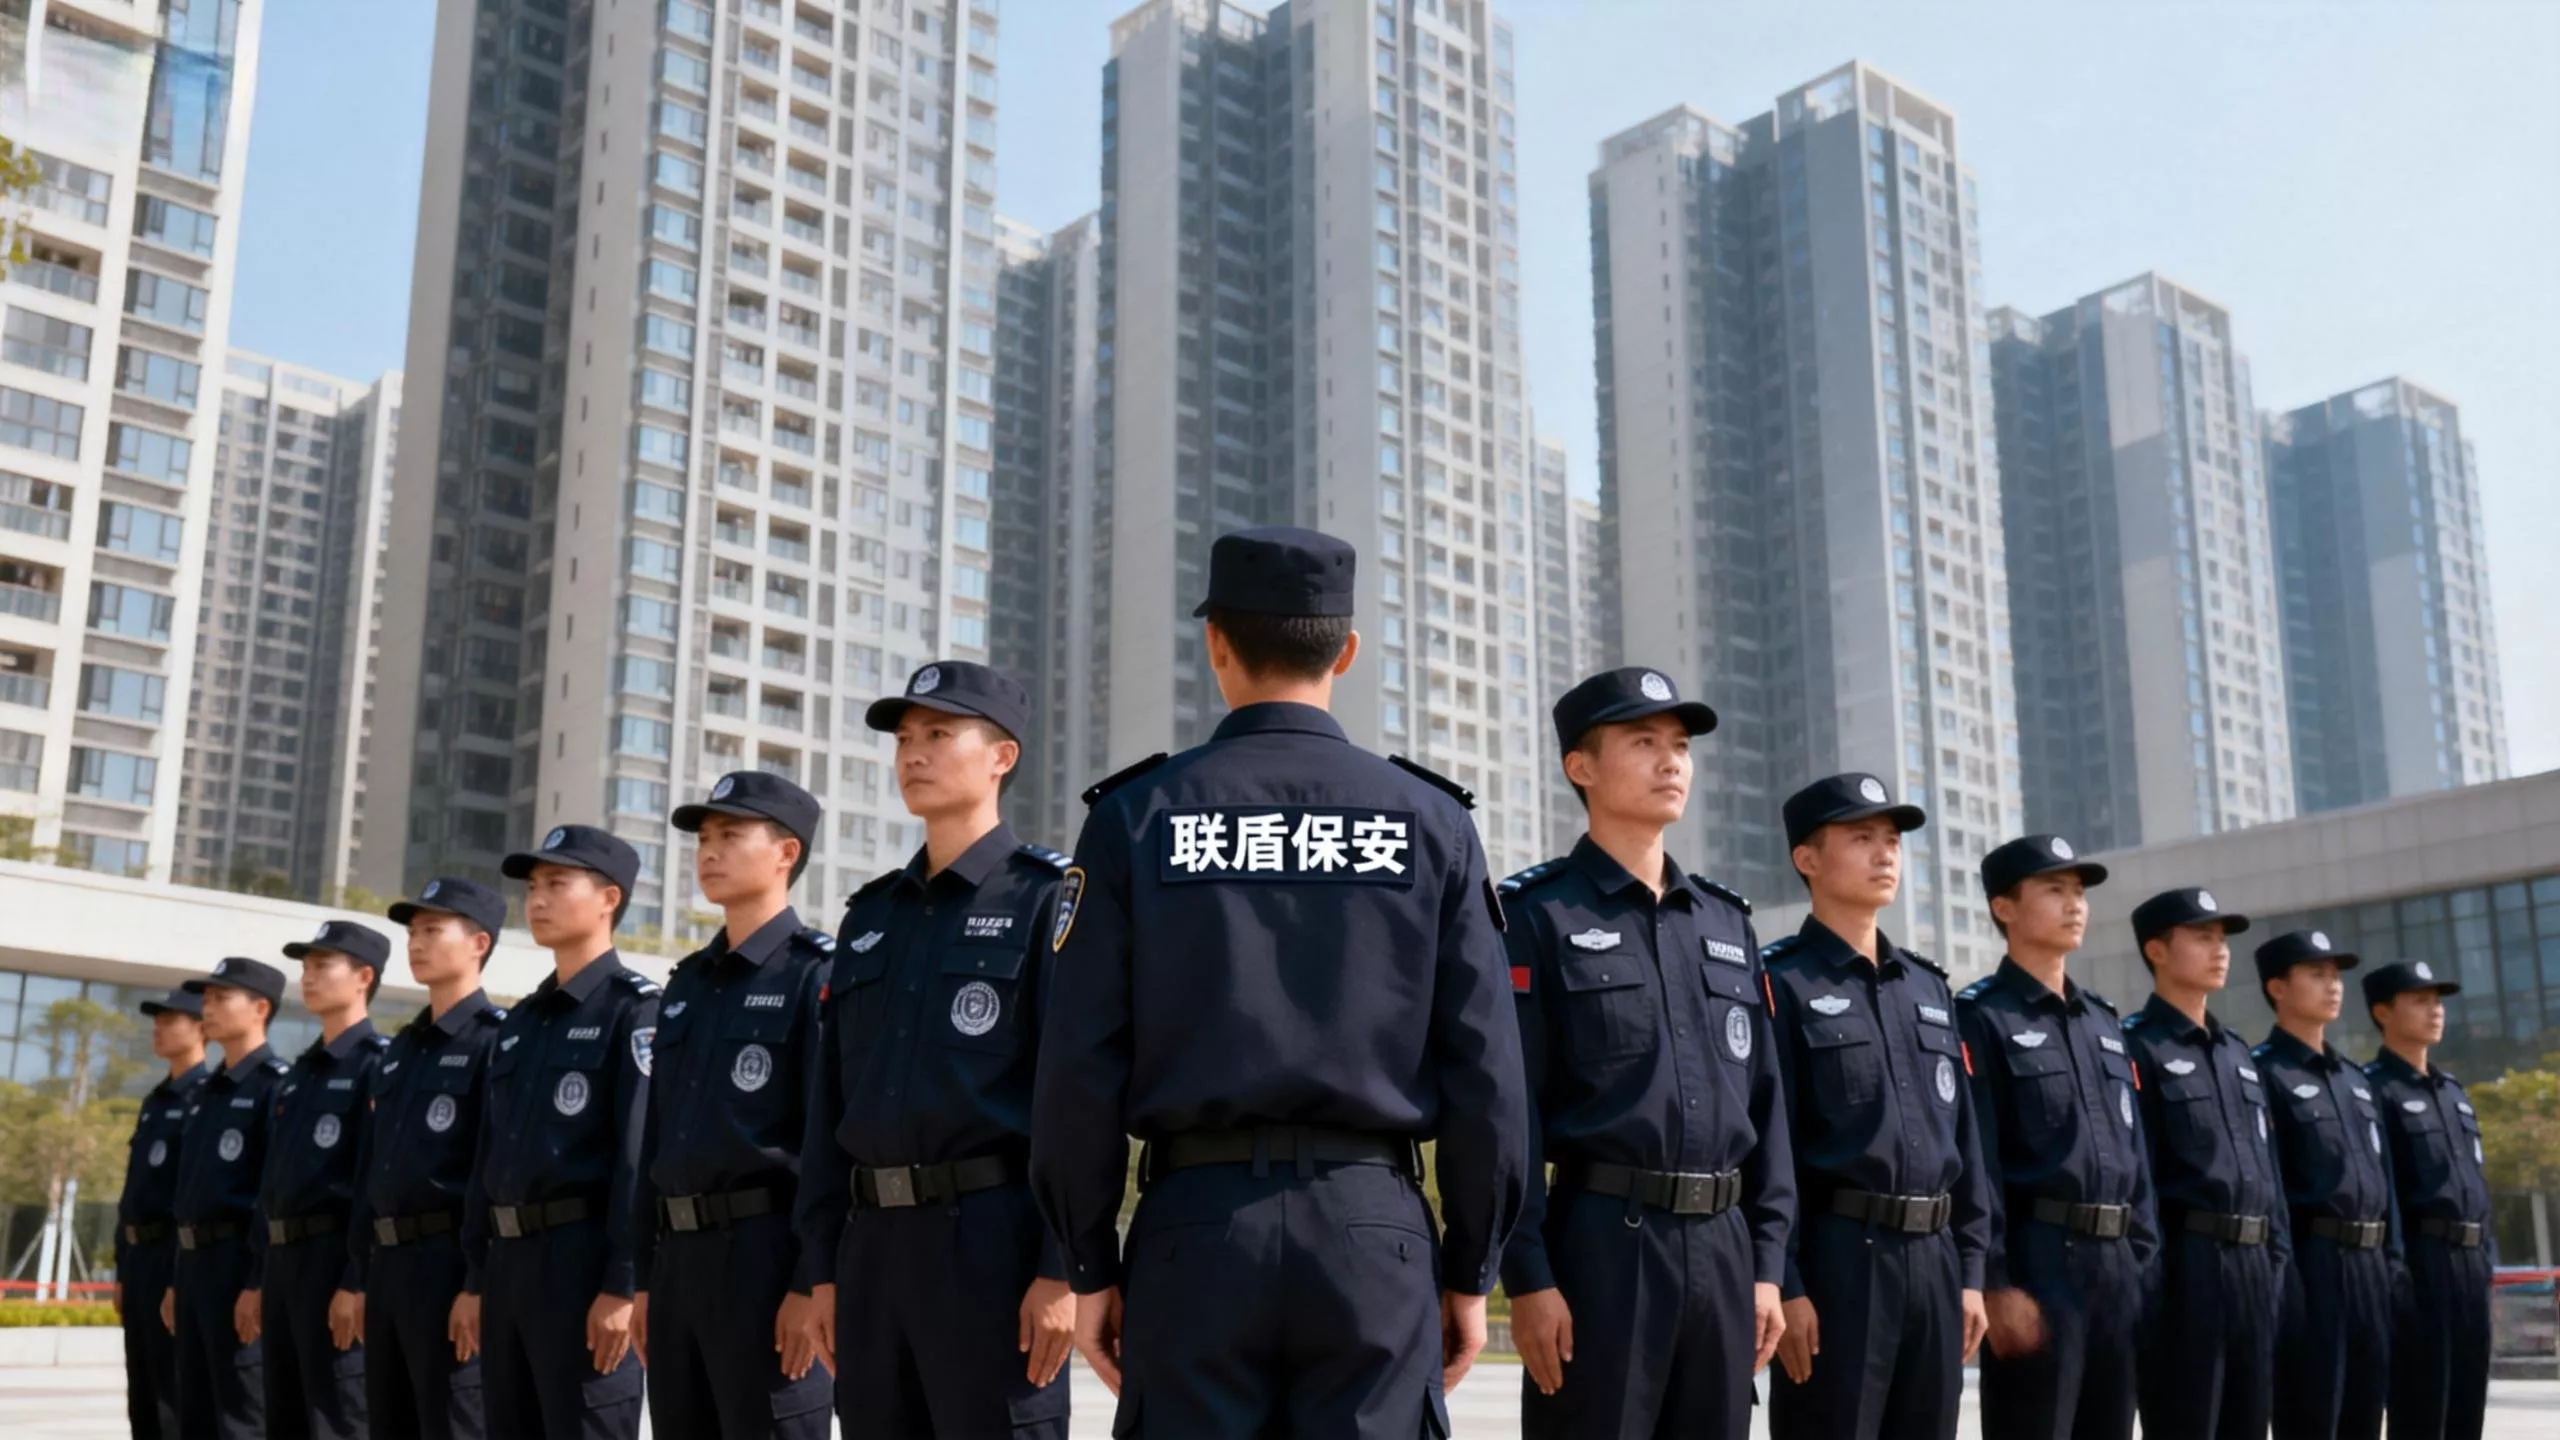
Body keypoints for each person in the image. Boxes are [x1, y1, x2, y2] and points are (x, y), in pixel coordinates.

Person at [1030, 526, 1530, 1439]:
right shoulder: (1431, 821)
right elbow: (1487, 1073)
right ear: (1347, 651)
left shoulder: (1137, 816)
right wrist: (1471, 1269)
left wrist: (1089, 1262)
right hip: (1373, 1233)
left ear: (1216, 644)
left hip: (1194, 1232)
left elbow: (1077, 1066)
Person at [1499, 667, 1793, 1438]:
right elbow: (1510, 1115)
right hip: (1603, 1248)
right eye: (1643, 742)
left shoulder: (1726, 924)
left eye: (1681, 746)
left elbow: (1767, 1107)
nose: (1671, 762)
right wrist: (1527, 1276)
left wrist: (1767, 1266)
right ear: (1582, 767)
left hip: (1725, 1252)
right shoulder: (1536, 914)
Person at [794, 664, 1075, 1438]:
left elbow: (1072, 1097)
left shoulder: (1045, 898)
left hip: (989, 1244)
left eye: (940, 734)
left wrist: (1061, 1266)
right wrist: (821, 1267)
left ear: (1002, 756)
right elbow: (829, 1106)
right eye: (904, 739)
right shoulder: (870, 917)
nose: (913, 753)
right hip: (871, 1252)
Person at [1761, 773, 1991, 1440]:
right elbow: (1770, 1145)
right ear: (1807, 858)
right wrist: (1788, 1281)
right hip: (1841, 1262)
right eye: (1862, 838)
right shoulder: (1781, 980)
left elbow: (1966, 1145)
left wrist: (1970, 1272)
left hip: (1935, 1260)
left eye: (1892, 839)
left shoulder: (1928, 988)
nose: (1885, 853)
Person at [634, 772, 834, 1437]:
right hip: (677, 1262)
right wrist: (642, 1278)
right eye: (703, 840)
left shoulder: (815, 974)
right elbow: (655, 1140)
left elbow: (828, 1139)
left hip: (764, 1258)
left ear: (786, 853)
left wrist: (809, 1281)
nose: (709, 852)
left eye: (730, 835)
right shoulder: (686, 984)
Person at [456, 826, 658, 1439]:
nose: (537, 899)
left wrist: (622, 1282)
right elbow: (488, 1156)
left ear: (609, 899)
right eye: (532, 887)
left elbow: (636, 1155)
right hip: (508, 1265)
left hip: (580, 1262)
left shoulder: (633, 1009)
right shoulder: (521, 1022)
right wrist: (476, 1277)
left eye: (557, 884)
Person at [1957, 834, 2157, 1440]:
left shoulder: (2103, 1022)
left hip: (2116, 1268)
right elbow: (1979, 1159)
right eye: (2054, 890)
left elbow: (2134, 1150)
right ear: (2004, 907)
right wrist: (1995, 1281)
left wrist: (2142, 1256)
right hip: (2040, 1265)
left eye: (2079, 893)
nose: (2075, 905)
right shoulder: (1982, 1016)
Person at [346, 877, 512, 1440]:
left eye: (433, 931)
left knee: (454, 1419)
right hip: (389, 1266)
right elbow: (372, 1169)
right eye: (412, 933)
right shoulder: (400, 1050)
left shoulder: (496, 1041)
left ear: (479, 943)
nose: (416, 944)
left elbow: (491, 1170)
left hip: (447, 1263)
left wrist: (476, 1282)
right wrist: (359, 1275)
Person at [2119, 888, 2288, 1440]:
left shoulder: (2237, 1052)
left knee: (2249, 1422)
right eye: (2202, 938)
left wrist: (2276, 1258)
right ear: (2157, 951)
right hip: (2189, 1266)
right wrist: (2153, 1278)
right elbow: (2137, 1172)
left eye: (2222, 940)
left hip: (2253, 1266)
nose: (2220, 951)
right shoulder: (2136, 1046)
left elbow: (2267, 1167)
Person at [2253, 928, 2396, 1440]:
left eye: (2336, 976)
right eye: (2316, 974)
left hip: (2370, 1266)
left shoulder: (2356, 1080)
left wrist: (2393, 1262)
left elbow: (2385, 1181)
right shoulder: (2263, 1072)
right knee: (2313, 1411)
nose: (2333, 985)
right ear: (2278, 987)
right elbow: (2268, 1182)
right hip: (2314, 1264)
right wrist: (2283, 1275)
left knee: (2365, 1413)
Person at [256, 920, 390, 1440]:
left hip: (332, 1258)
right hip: (282, 1263)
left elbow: (372, 1182)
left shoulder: (376, 1063)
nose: (307, 977)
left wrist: (356, 1280)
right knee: (284, 1414)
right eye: (305, 967)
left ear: (363, 977)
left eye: (321, 966)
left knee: (337, 1414)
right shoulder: (300, 1073)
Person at [2364, 959, 2493, 1440]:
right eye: (2419, 1001)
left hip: (2470, 1265)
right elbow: (2383, 1190)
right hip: (2422, 1262)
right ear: (2382, 1012)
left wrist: (2487, 1259)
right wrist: (2396, 1275)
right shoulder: (2374, 1089)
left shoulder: (2453, 1092)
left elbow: (2476, 1184)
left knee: (2467, 1406)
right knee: (2423, 1405)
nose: (2435, 1011)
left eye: (2437, 1002)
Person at [165, 956, 292, 1440]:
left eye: (222, 998)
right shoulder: (205, 1092)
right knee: (193, 1411)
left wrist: (257, 1282)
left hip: (237, 1264)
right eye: (207, 998)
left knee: (241, 1413)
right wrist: (176, 1277)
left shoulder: (276, 1085)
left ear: (260, 1008)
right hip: (193, 1265)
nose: (209, 1008)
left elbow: (270, 1192)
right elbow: (188, 1193)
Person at [119, 986, 210, 1440]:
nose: (159, 1028)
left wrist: (176, 1277)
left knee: (173, 1392)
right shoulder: (155, 1101)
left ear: (201, 1028)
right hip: (138, 1259)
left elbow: (191, 1194)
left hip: (172, 1254)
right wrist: (122, 1269)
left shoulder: (204, 1096)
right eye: (157, 1020)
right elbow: (132, 1190)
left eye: (170, 1020)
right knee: (142, 1390)